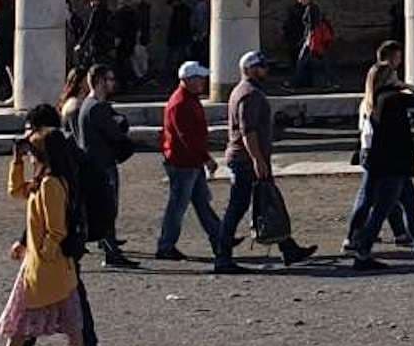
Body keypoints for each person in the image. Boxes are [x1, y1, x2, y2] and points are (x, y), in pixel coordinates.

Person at [0, 124, 92, 346]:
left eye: (32, 152)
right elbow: (16, 191)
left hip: (45, 265)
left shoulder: (50, 185)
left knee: (22, 317)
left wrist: (42, 254)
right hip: (48, 264)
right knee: (68, 315)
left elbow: (57, 228)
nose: (30, 155)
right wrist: (16, 160)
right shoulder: (45, 182)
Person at [215, 51, 318, 272]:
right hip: (246, 160)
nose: (266, 70)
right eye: (262, 67)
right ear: (250, 69)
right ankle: (223, 257)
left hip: (248, 158)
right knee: (238, 207)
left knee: (269, 201)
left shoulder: (246, 91)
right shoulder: (250, 94)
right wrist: (257, 160)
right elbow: (248, 130)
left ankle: (289, 248)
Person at [347, 57, 414, 270]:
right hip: (394, 164)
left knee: (409, 203)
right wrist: (406, 85)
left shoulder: (374, 99)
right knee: (382, 209)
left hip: (383, 161)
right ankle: (362, 253)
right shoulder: (392, 97)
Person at [156, 60, 228, 262]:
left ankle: (220, 237)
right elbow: (187, 137)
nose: (203, 82)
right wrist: (206, 159)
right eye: (199, 78)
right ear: (188, 80)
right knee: (178, 207)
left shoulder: (187, 99)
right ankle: (166, 245)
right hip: (183, 163)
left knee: (200, 203)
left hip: (188, 161)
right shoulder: (181, 103)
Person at [69, 64, 140, 269]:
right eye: (109, 79)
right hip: (103, 164)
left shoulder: (87, 105)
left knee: (99, 209)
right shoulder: (97, 108)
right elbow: (116, 133)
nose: (113, 83)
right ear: (100, 81)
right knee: (108, 208)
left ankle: (109, 249)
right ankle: (111, 253)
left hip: (93, 163)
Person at [75, 0, 114, 70]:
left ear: (96, 0)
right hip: (107, 46)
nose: (90, 3)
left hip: (97, 45)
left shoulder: (96, 12)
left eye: (91, 0)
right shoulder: (109, 12)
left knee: (86, 66)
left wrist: (81, 44)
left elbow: (90, 29)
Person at [164, 0, 194, 73]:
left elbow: (179, 26)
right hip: (180, 38)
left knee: (180, 56)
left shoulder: (181, 11)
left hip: (180, 38)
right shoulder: (181, 10)